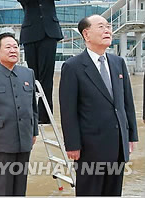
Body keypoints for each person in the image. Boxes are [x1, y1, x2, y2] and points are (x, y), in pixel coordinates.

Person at [59, 15, 138, 196]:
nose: (108, 30)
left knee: (113, 193)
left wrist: (131, 135)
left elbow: (126, 102)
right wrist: (72, 144)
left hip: (117, 145)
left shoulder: (118, 63)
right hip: (90, 148)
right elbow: (68, 110)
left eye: (108, 27)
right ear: (86, 34)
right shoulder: (73, 66)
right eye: (101, 27)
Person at [0, 33, 38, 196]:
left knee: (20, 183)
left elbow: (33, 106)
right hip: (1, 139)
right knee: (2, 184)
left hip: (24, 139)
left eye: (15, 47)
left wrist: (34, 132)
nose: (13, 50)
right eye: (8, 47)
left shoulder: (28, 73)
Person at [18, 0, 63, 124]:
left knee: (47, 77)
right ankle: (32, 112)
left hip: (50, 33)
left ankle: (45, 115)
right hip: (30, 32)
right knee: (32, 77)